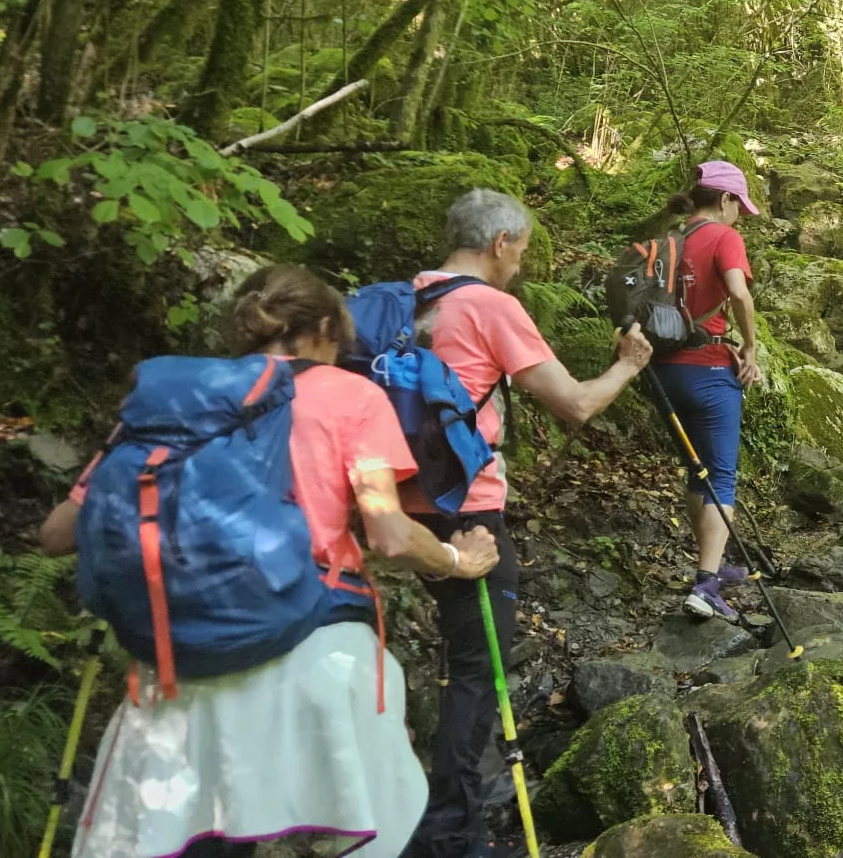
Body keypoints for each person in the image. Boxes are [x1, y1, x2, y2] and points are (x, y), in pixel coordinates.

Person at [37, 265, 502, 858]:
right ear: (327, 326)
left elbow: (56, 534)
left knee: (200, 835)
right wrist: (455, 560)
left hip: (178, 654)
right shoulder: (353, 395)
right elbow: (387, 531)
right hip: (313, 646)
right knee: (374, 819)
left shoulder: (175, 401)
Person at [403, 189, 654, 858]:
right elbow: (574, 404)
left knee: (456, 659)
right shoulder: (490, 305)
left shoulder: (408, 299)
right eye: (522, 249)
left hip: (397, 501)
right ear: (500, 243)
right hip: (469, 511)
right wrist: (627, 366)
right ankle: (450, 832)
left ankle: (433, 803)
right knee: (477, 668)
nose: (522, 262)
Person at [647, 162, 765, 622]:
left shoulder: (668, 243)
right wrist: (750, 347)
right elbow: (738, 292)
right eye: (740, 207)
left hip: (662, 373)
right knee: (721, 476)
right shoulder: (724, 237)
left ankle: (710, 564)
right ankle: (706, 584)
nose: (741, 217)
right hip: (708, 371)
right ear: (725, 200)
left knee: (695, 472)